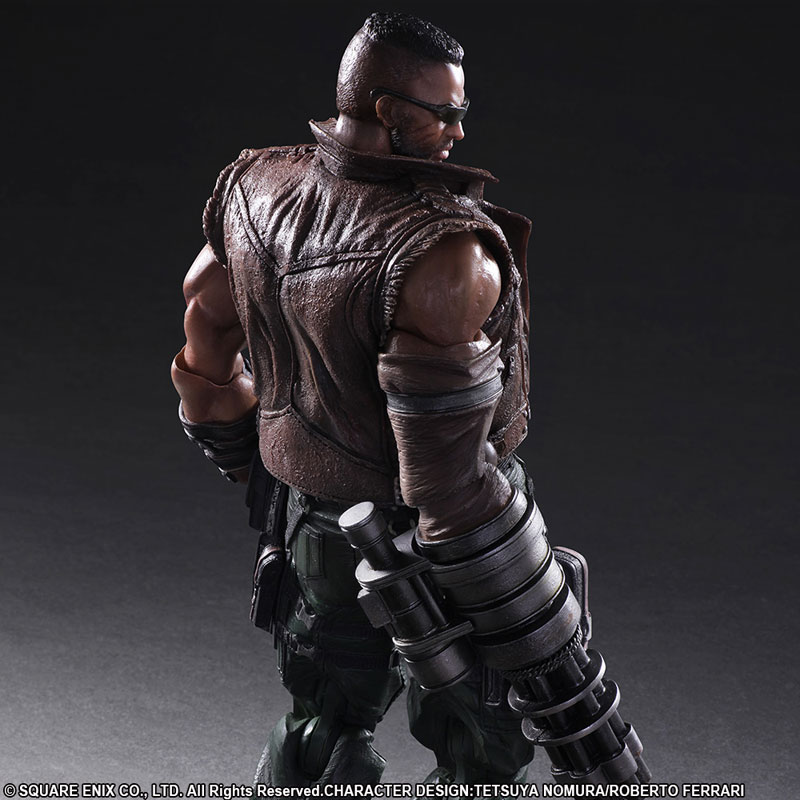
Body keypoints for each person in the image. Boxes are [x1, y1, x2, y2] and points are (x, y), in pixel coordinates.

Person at [171, 12, 649, 787]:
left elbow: (204, 350)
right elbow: (448, 485)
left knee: (322, 724)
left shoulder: (255, 189)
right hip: (435, 548)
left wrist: (260, 469)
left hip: (313, 527)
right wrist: (546, 647)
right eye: (446, 114)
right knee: (479, 753)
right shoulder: (445, 253)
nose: (459, 132)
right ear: (391, 110)